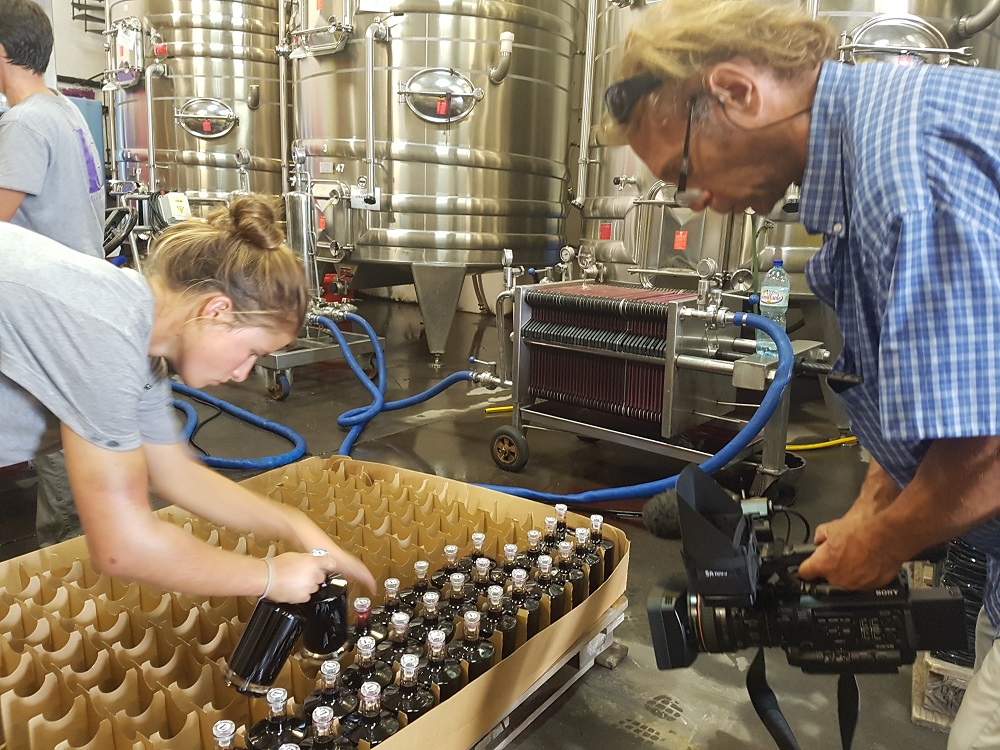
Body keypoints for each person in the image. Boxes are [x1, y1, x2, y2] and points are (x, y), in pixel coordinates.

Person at [606, 1, 1000, 746]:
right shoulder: (878, 146)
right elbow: (935, 383)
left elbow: (987, 450)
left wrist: (880, 548)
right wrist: (871, 509)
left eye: (683, 173)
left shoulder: (901, 173)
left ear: (738, 91)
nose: (696, 203)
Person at [0, 194, 376, 602]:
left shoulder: (137, 341)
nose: (244, 373)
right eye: (253, 352)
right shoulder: (105, 333)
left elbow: (176, 473)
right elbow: (121, 548)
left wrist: (295, 525)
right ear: (216, 310)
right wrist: (268, 577)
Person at [0, 0, 108, 548]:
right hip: (78, 300)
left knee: (59, 449)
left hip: (49, 309)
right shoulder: (65, 111)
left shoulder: (22, 123)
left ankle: (66, 573)